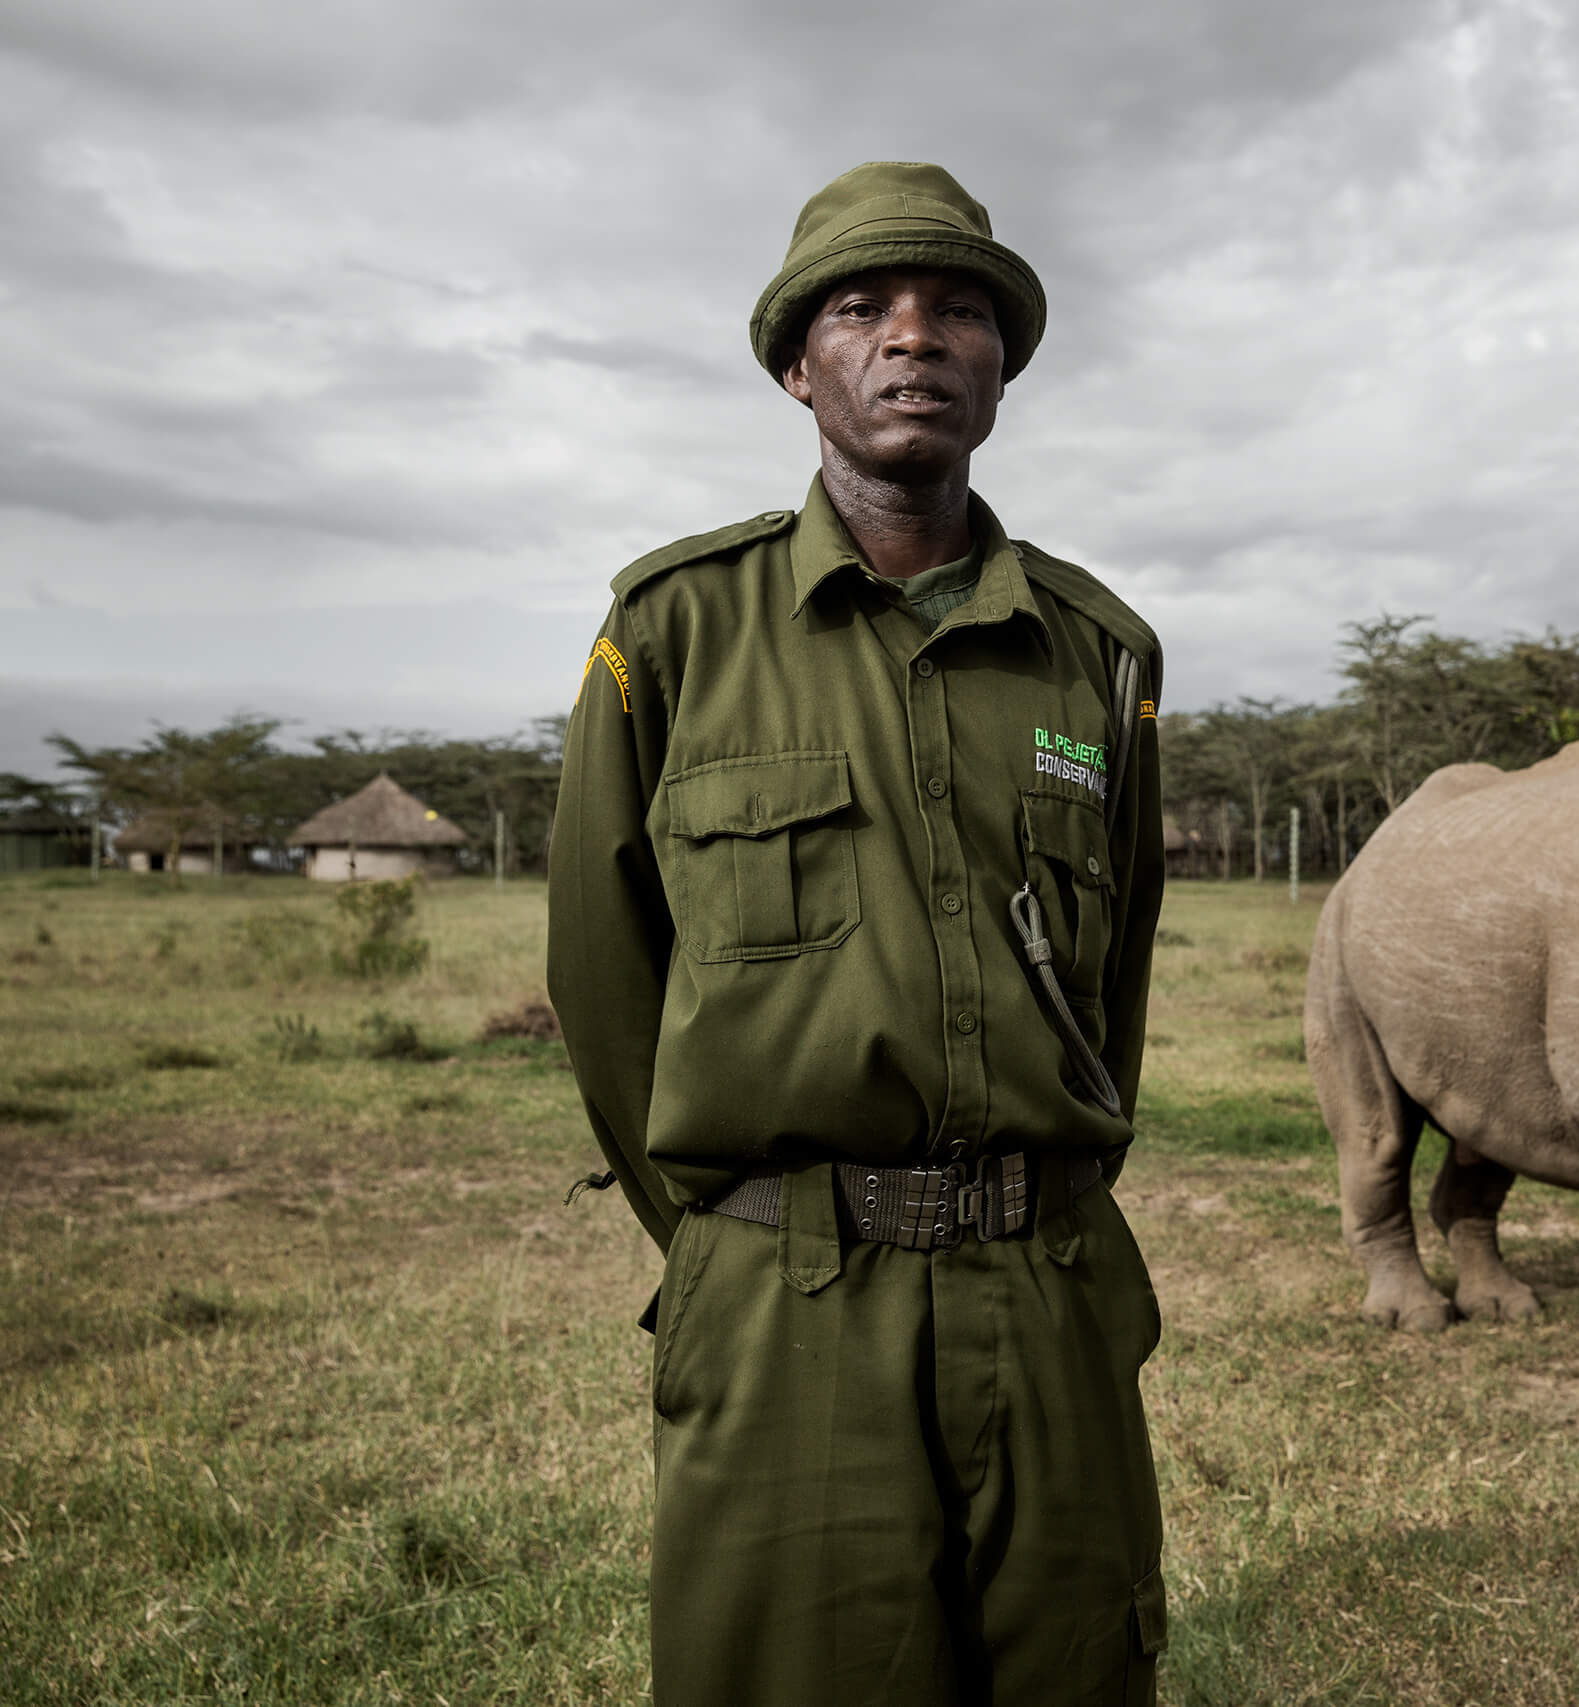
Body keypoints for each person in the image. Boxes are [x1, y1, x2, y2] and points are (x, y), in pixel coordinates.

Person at [546, 160, 1170, 1707]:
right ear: (795, 367)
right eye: (864, 309)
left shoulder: (1101, 655)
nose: (915, 339)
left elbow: (1122, 973)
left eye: (960, 311)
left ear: (1001, 372)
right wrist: (729, 1245)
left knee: (1080, 1673)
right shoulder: (671, 633)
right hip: (789, 1301)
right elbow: (602, 976)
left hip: (1049, 1292)